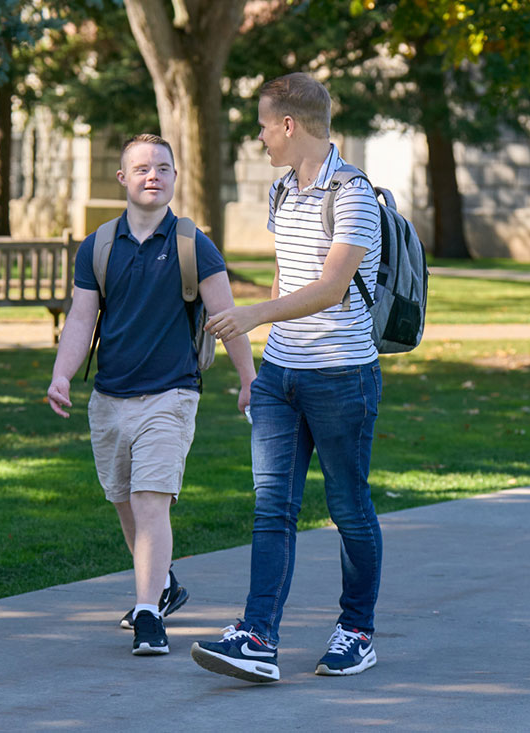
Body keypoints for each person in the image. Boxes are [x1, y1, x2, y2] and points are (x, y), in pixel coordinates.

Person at [190, 73, 383, 682]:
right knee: (272, 506)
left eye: (264, 125)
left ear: (290, 125)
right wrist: (262, 361)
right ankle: (257, 637)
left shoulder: (353, 194)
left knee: (349, 507)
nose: (261, 136)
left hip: (342, 375)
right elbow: (285, 276)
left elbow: (329, 288)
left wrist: (252, 317)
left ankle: (357, 631)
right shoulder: (280, 192)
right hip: (281, 376)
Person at [47, 133, 256, 656]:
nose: (152, 176)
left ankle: (147, 613)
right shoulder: (97, 246)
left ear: (174, 177)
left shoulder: (192, 244)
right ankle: (164, 586)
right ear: (123, 178)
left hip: (171, 394)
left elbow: (228, 318)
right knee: (124, 502)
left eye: (163, 168)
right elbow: (81, 317)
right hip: (110, 397)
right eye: (141, 168)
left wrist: (250, 379)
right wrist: (61, 375)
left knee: (149, 500)